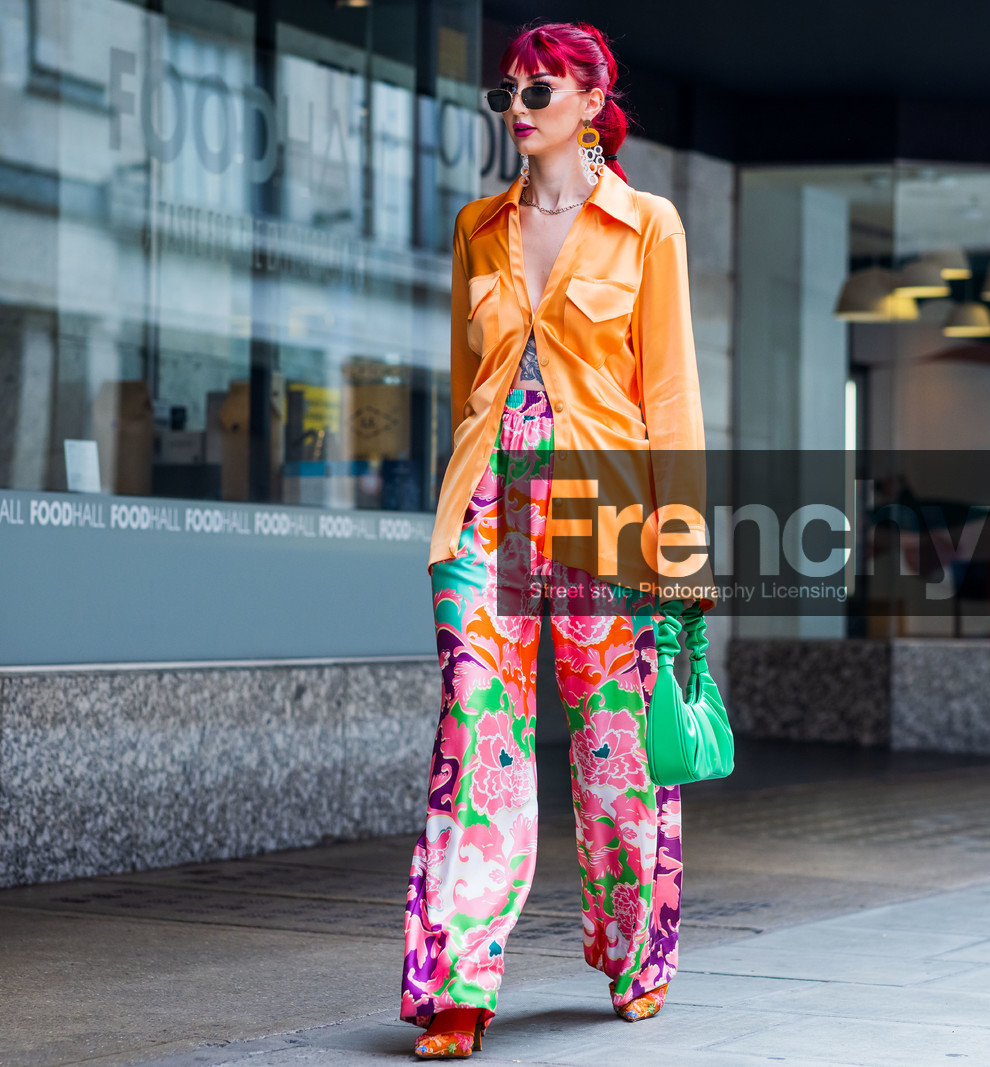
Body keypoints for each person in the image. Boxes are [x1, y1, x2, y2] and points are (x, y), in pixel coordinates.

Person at [400, 21, 713, 1059]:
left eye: (540, 89)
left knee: (615, 737)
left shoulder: (647, 224)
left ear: (591, 100)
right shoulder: (477, 228)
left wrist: (683, 546)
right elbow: (464, 387)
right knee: (474, 732)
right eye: (510, 93)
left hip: (604, 506)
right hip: (485, 504)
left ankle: (638, 945)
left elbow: (667, 394)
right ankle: (456, 981)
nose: (519, 107)